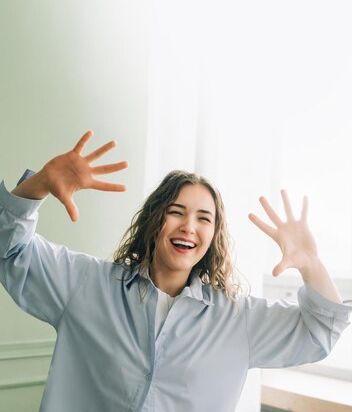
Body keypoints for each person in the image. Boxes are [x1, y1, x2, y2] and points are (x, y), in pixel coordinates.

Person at [0, 131, 351, 412]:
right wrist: (41, 183)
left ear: (213, 236)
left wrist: (310, 264)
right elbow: (9, 249)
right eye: (176, 212)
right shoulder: (86, 283)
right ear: (155, 221)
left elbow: (319, 331)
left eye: (204, 218)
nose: (189, 227)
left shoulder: (236, 318)